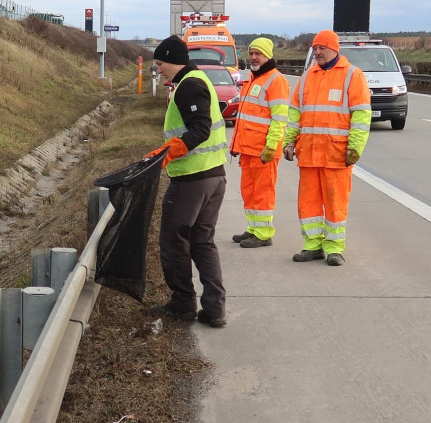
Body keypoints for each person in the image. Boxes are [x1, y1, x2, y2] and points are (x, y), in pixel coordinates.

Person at [145, 35, 228, 328]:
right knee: (203, 242)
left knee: (173, 240)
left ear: (171, 60)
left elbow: (201, 128)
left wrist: (171, 150)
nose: (159, 70)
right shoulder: (197, 80)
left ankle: (182, 303)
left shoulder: (189, 85)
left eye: (159, 64)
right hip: (214, 176)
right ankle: (214, 309)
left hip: (192, 179)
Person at [283, 30, 372, 266]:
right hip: (309, 153)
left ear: (335, 49)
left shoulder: (352, 75)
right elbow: (294, 115)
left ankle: (334, 248)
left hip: (337, 154)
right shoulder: (307, 77)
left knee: (335, 203)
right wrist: (289, 142)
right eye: (315, 48)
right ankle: (313, 246)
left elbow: (362, 116)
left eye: (322, 47)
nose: (318, 52)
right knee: (309, 203)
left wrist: (354, 148)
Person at [228, 38, 289, 248]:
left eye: (258, 54)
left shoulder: (275, 80)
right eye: (251, 53)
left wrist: (271, 146)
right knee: (249, 191)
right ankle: (253, 228)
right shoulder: (252, 78)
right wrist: (235, 145)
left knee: (263, 193)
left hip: (264, 150)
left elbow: (279, 118)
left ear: (268, 56)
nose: (253, 57)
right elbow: (244, 117)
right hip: (247, 149)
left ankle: (263, 234)